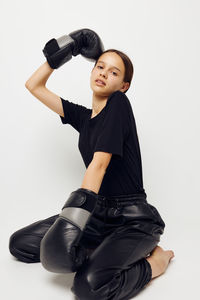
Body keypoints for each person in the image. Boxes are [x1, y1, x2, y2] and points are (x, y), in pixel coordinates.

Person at [9, 29, 175, 299]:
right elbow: (33, 86)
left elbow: (99, 164)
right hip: (98, 216)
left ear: (123, 86)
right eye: (100, 66)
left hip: (132, 220)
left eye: (113, 72)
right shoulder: (83, 118)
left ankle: (154, 263)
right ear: (91, 71)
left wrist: (72, 220)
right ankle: (105, 250)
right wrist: (68, 51)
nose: (103, 73)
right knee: (21, 244)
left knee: (88, 287)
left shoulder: (119, 104)